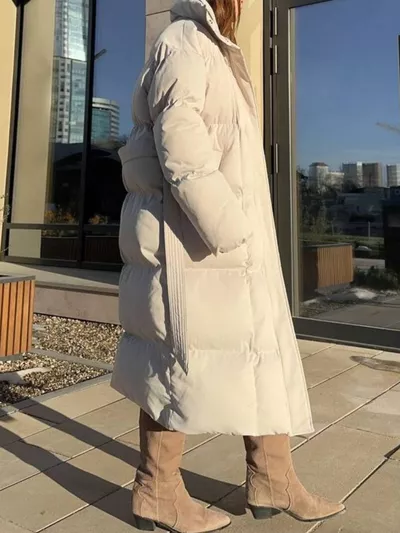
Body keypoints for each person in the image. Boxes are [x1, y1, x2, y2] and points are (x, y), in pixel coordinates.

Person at [111, 1, 346, 531]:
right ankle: (157, 490)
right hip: (192, 243)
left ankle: (273, 478)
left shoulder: (214, 48)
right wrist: (229, 227)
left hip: (222, 245)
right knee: (175, 362)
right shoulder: (184, 41)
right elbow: (181, 143)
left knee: (260, 353)